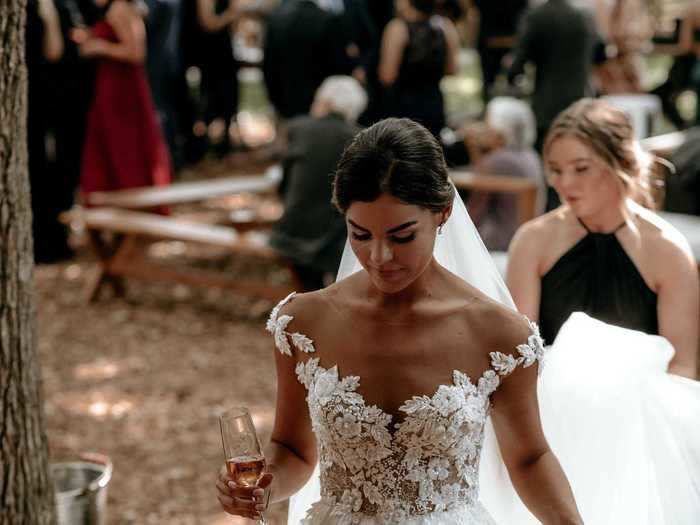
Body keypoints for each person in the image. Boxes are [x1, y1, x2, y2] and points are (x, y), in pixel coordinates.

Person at [215, 118, 584, 524]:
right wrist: (265, 487)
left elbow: (530, 458)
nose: (378, 257)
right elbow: (293, 450)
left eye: (401, 236)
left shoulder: (500, 334)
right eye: (360, 234)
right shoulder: (301, 323)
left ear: (442, 213)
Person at [507, 98, 700, 522]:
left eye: (581, 168)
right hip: (552, 411)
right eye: (555, 170)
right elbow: (519, 352)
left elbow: (683, 366)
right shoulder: (533, 241)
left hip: (639, 421)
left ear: (620, 163)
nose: (564, 183)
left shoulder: (666, 250)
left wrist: (625, 410)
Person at [268, 76, 367, 291]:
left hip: (292, 235)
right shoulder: (361, 139)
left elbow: (283, 186)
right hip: (338, 240)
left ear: (325, 102)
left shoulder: (297, 129)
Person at [75, 0, 172, 197]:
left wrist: (99, 46)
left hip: (122, 89)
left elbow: (136, 52)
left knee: (125, 146)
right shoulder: (114, 9)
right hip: (110, 85)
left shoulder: (119, 8)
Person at [464, 97, 545, 251]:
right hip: (523, 237)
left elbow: (474, 213)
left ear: (500, 130)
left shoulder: (499, 160)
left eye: (487, 124)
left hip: (499, 242)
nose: (483, 129)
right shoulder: (530, 155)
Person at [378, 0, 459, 137]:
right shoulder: (445, 26)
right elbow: (452, 69)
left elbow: (387, 76)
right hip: (434, 103)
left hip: (403, 106)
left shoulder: (397, 28)